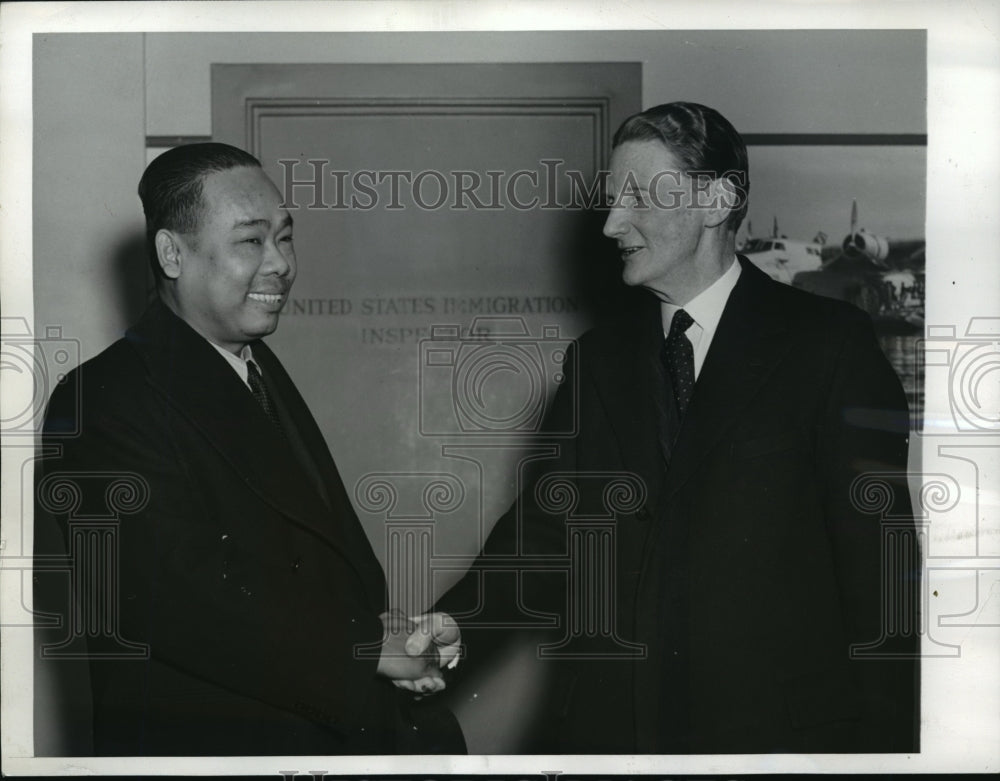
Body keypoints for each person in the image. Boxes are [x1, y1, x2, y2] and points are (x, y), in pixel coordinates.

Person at [435, 102, 919, 754]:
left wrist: (891, 754)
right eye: (612, 199)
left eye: (638, 195)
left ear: (716, 199)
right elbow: (543, 535)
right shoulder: (596, 361)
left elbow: (881, 578)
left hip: (779, 739)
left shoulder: (828, 347)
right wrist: (453, 626)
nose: (612, 224)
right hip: (615, 737)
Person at [33, 143, 462, 756]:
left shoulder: (251, 362)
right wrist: (359, 650)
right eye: (251, 241)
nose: (281, 264)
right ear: (171, 254)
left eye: (285, 238)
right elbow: (171, 598)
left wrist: (377, 634)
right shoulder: (101, 397)